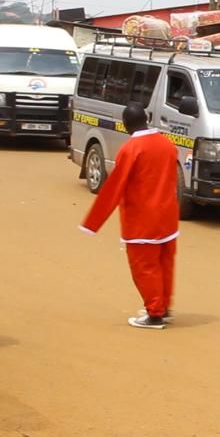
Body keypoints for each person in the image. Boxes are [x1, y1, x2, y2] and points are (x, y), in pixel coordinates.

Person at [80, 102, 179, 330]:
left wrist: (92, 223)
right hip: (167, 217)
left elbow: (114, 188)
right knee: (165, 265)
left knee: (145, 268)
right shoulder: (167, 143)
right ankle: (163, 307)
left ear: (126, 125)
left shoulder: (131, 149)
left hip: (143, 220)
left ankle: (154, 314)